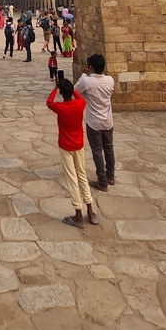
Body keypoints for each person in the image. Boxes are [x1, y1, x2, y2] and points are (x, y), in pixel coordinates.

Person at [47, 74, 98, 229]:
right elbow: (79, 98)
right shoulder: (80, 104)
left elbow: (49, 102)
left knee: (72, 179)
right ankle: (90, 210)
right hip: (78, 145)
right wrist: (69, 88)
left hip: (66, 146)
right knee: (82, 175)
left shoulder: (60, 108)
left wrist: (56, 88)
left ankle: (78, 214)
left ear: (62, 92)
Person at [76, 54, 115, 192]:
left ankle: (102, 181)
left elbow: (75, 90)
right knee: (109, 148)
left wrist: (83, 74)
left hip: (93, 122)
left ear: (90, 67)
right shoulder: (110, 80)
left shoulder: (87, 81)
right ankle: (110, 176)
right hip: (107, 120)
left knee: (97, 151)